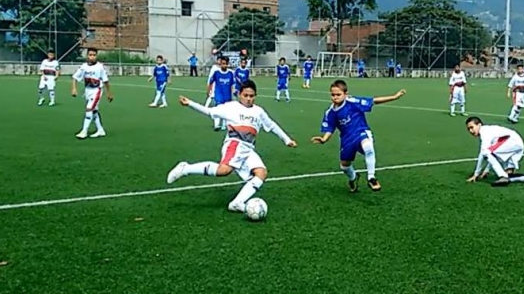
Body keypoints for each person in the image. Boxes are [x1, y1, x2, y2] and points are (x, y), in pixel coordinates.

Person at [166, 80, 297, 213]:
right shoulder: (231, 107)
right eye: (245, 95)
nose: (248, 99)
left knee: (261, 173)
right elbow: (209, 111)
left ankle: (237, 202)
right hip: (235, 144)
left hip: (248, 148)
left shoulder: (259, 111)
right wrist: (190, 103)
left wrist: (286, 139)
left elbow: (272, 125)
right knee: (224, 170)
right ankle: (186, 168)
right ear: (239, 95)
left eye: (251, 96)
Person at [311, 79, 406, 192]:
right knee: (344, 166)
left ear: (345, 94)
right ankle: (353, 178)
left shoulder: (353, 102)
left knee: (368, 147)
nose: (335, 97)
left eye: (338, 94)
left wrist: (394, 97)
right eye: (333, 95)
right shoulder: (330, 112)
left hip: (361, 131)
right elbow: (330, 128)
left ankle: (371, 177)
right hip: (346, 139)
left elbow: (373, 101)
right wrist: (324, 139)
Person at [464, 116, 524, 187]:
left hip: (512, 142)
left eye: (472, 127)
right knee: (509, 175)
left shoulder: (484, 132)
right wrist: (486, 170)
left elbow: (484, 153)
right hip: (515, 143)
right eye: (469, 129)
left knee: (486, 152)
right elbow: (492, 152)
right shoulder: (488, 131)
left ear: (479, 125)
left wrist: (476, 174)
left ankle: (503, 176)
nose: (471, 131)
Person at [71, 47, 113, 139]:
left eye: (94, 55)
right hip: (87, 91)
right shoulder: (84, 66)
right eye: (90, 55)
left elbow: (106, 81)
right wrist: (74, 89)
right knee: (94, 111)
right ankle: (100, 130)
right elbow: (75, 77)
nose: (92, 57)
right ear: (87, 56)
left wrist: (109, 93)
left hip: (96, 91)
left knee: (89, 109)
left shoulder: (100, 67)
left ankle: (84, 131)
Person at [207, 56, 235, 131]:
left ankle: (224, 125)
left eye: (225, 64)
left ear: (227, 64)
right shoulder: (216, 73)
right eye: (222, 64)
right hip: (218, 94)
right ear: (220, 64)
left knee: (226, 111)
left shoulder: (230, 73)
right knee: (218, 109)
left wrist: (233, 92)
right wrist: (209, 90)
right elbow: (211, 82)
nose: (224, 65)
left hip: (227, 95)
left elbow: (232, 84)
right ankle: (216, 125)